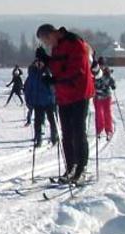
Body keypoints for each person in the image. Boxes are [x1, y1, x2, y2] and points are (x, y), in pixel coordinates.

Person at [37, 24, 94, 183]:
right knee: (66, 133)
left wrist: (55, 80)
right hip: (64, 95)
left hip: (79, 93)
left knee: (78, 131)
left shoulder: (75, 43)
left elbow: (77, 71)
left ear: (51, 35)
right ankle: (71, 167)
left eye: (46, 41)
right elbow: (58, 67)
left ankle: (81, 168)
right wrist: (46, 60)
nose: (47, 45)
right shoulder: (57, 47)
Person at [25, 50, 59, 147]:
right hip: (38, 102)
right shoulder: (32, 74)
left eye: (40, 62)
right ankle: (38, 138)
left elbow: (55, 85)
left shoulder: (48, 71)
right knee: (38, 122)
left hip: (49, 101)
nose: (39, 64)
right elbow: (28, 87)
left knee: (52, 120)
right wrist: (28, 100)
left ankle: (54, 136)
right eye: (37, 62)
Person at [93, 65, 116, 141]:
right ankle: (99, 129)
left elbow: (112, 82)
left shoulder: (107, 74)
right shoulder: (94, 74)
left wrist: (113, 85)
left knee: (107, 113)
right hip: (98, 97)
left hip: (106, 97)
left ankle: (108, 130)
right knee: (99, 114)